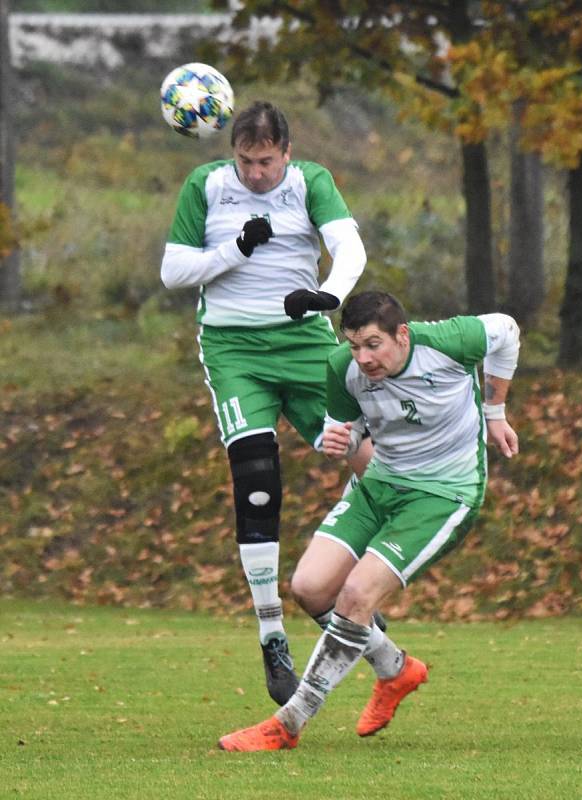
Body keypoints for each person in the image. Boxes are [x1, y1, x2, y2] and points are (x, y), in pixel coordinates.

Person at [217, 289, 520, 751]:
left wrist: (495, 412)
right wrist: (338, 437)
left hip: (442, 495)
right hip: (378, 484)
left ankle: (288, 723)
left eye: (373, 345)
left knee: (357, 595)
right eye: (355, 345)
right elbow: (347, 425)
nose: (363, 358)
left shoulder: (450, 341)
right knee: (310, 587)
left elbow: (508, 331)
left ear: (402, 335)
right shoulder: (341, 366)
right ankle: (395, 670)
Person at [160, 101, 372, 706]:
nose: (256, 174)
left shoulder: (311, 182)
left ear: (286, 151)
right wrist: (235, 253)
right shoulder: (206, 185)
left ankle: (361, 584)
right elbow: (175, 271)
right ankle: (272, 634)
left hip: (305, 345)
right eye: (246, 161)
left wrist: (326, 295)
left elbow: (349, 249)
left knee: (371, 464)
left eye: (266, 162)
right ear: (234, 154)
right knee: (256, 477)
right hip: (233, 350)